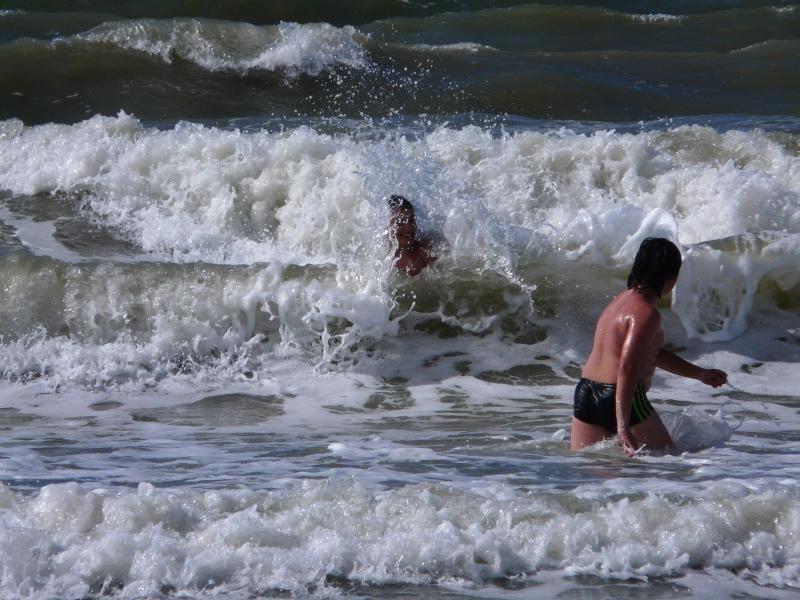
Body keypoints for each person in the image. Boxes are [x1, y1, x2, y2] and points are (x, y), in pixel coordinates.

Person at [570, 237, 727, 456]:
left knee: (591, 470)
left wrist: (700, 373)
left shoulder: (618, 302)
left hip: (585, 392)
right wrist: (623, 426)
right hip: (622, 395)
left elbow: (654, 354)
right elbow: (627, 366)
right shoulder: (645, 312)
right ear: (670, 277)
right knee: (667, 462)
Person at [387, 195, 437, 276]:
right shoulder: (376, 260)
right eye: (400, 222)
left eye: (411, 220)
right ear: (388, 226)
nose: (409, 228)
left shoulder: (424, 253)